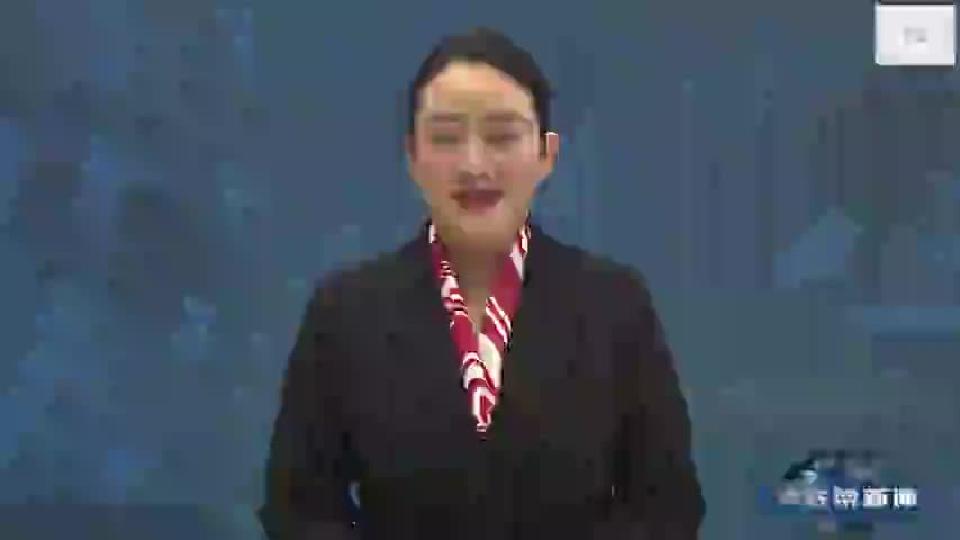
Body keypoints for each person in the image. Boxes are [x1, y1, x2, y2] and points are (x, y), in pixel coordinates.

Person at [258, 27, 705, 540]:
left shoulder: (616, 305)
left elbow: (667, 507)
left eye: (502, 136)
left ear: (547, 154)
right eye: (446, 138)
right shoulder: (344, 313)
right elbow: (299, 510)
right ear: (412, 156)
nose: (474, 165)